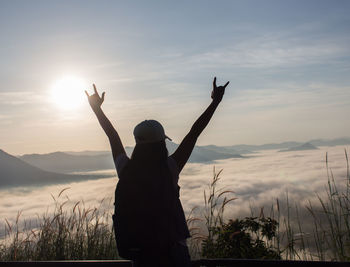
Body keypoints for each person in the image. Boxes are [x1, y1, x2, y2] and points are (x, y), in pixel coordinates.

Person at [85, 77, 229, 266]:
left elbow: (112, 135)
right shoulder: (170, 168)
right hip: (173, 253)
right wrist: (215, 103)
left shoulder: (125, 169)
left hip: (141, 255)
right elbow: (194, 133)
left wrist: (96, 108)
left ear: (137, 143)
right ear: (162, 143)